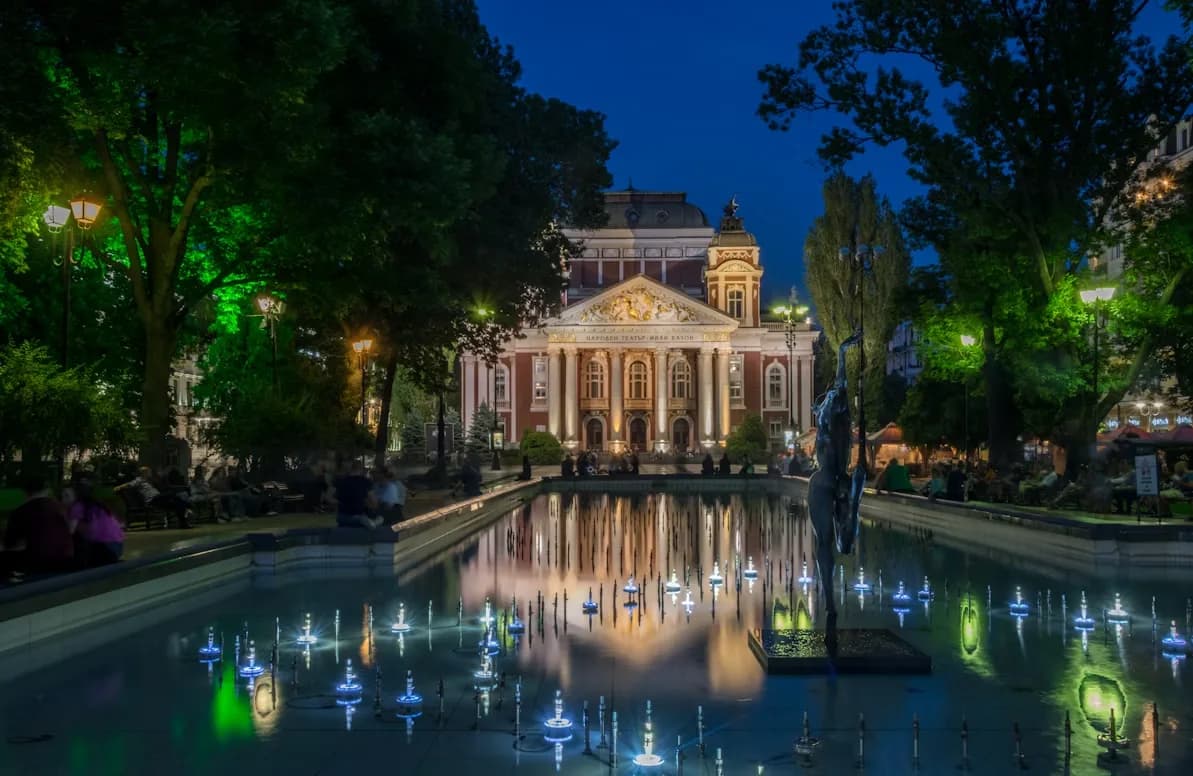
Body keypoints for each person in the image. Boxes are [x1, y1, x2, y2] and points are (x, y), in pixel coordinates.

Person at [1, 472, 74, 575]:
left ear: (25, 492)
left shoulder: (21, 512)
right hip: (66, 562)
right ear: (47, 490)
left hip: (37, 565)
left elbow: (10, 543)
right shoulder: (60, 508)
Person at [67, 479, 124, 566]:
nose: (63, 499)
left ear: (76, 494)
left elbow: (70, 532)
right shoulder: (96, 504)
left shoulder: (77, 506)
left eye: (67, 495)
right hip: (118, 546)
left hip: (104, 548)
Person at [115, 466, 193, 529]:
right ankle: (188, 505)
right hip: (153, 500)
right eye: (149, 472)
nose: (150, 473)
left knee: (178, 504)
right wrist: (119, 487)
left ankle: (183, 523)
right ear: (144, 473)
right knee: (173, 494)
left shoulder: (149, 481)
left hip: (159, 499)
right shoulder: (139, 480)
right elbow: (129, 484)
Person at [334, 461, 380, 528]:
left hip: (342, 516)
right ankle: (371, 522)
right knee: (376, 519)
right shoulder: (366, 482)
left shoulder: (341, 481)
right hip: (358, 516)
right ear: (361, 469)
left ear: (351, 468)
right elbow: (374, 501)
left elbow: (329, 497)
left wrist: (341, 503)